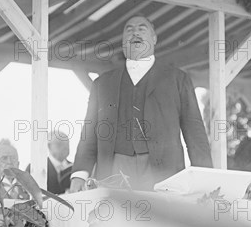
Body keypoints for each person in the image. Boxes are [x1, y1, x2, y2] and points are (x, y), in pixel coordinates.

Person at [70, 15, 212, 192]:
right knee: (115, 219)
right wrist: (79, 175)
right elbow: (89, 133)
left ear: (154, 38)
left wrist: (206, 178)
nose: (135, 32)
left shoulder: (177, 79)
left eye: (142, 28)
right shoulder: (102, 83)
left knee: (160, 219)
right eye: (129, 29)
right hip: (114, 171)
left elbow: (195, 131)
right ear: (123, 42)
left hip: (164, 171)